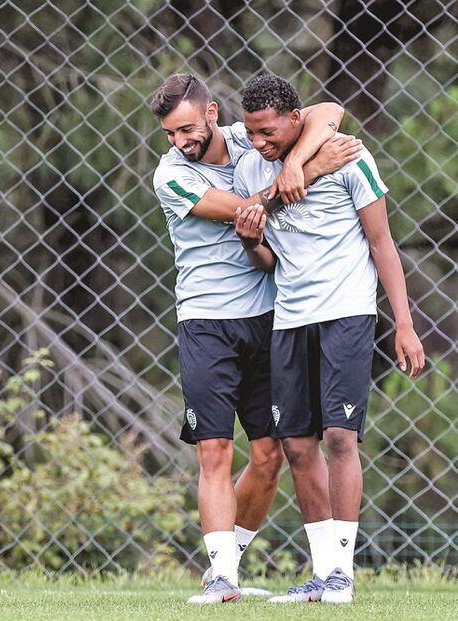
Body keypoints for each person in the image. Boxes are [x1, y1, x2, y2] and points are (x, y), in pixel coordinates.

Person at [150, 73, 361, 604]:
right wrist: (312, 167)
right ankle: (222, 577)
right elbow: (248, 212)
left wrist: (294, 163)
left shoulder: (251, 137)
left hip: (272, 316)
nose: (181, 142)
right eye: (171, 134)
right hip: (206, 322)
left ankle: (232, 561)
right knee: (215, 449)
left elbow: (328, 110)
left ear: (213, 112)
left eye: (187, 129)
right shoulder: (171, 175)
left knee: (271, 455)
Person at [233, 74, 425, 604]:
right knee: (296, 444)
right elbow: (269, 262)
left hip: (347, 313)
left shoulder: (349, 159)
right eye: (251, 133)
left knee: (340, 437)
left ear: (295, 120)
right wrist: (251, 243)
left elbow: (383, 243)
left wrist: (404, 325)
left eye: (268, 132)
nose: (259, 143)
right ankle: (324, 573)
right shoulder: (253, 166)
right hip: (290, 318)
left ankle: (343, 574)